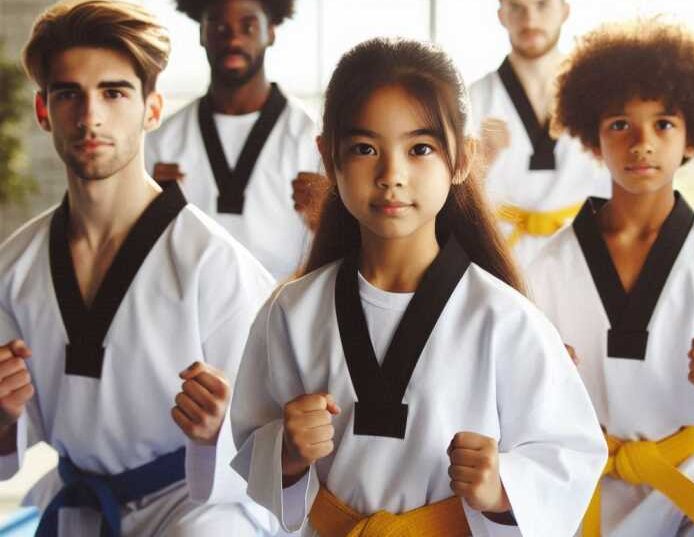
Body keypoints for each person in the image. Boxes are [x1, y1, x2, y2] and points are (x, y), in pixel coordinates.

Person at [228, 37, 606, 536]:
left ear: (463, 159)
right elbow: (251, 444)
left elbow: (570, 455)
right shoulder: (292, 312)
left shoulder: (504, 319)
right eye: (365, 149)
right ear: (328, 156)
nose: (391, 176)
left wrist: (500, 489)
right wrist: (288, 453)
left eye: (420, 149)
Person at [0, 1, 277, 534]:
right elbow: (14, 440)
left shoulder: (212, 263)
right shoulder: (16, 267)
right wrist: (3, 415)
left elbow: (273, 437)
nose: (90, 117)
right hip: (79, 501)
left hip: (197, 507)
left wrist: (217, 429)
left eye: (114, 92)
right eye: (68, 95)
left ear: (152, 109)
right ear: (43, 112)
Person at [528, 20, 694, 536]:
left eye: (663, 124)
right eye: (620, 125)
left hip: (691, 478)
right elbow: (517, 403)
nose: (641, 144)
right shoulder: (548, 265)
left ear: (692, 134)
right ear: (592, 136)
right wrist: (535, 379)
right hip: (581, 477)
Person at [145, 0, 323, 281]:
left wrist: (328, 220)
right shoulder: (162, 142)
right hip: (192, 313)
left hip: (281, 311)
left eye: (248, 25)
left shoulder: (312, 140)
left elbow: (341, 251)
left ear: (271, 31)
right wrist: (150, 209)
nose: (233, 38)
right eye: (217, 25)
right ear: (201, 33)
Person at [470, 0, 609, 265]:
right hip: (501, 256)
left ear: (564, 10)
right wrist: (483, 160)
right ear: (501, 15)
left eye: (542, 5)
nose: (530, 19)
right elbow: (453, 197)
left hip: (582, 252)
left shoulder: (598, 97)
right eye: (517, 6)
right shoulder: (474, 99)